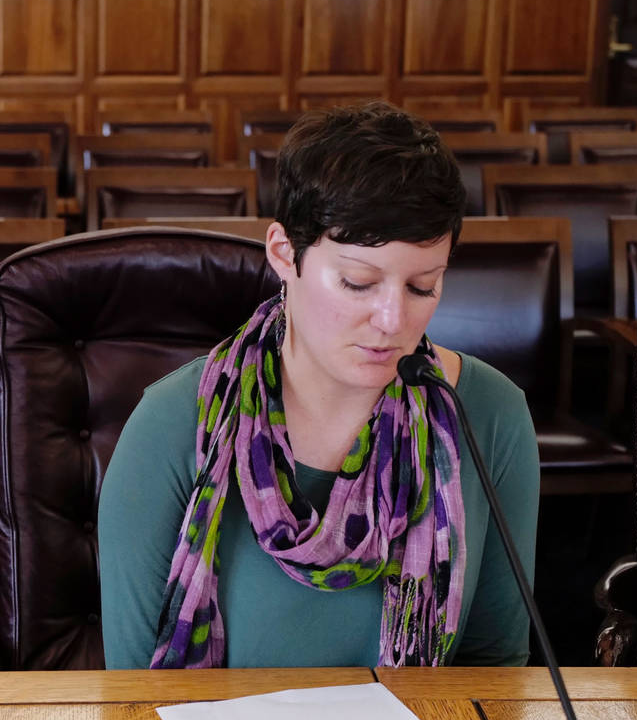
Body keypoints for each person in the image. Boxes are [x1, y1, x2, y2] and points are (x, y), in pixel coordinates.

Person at [98, 104, 539, 669]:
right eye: (358, 283)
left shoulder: (488, 414)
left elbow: (494, 672)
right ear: (284, 254)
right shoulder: (171, 424)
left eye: (422, 287)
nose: (391, 319)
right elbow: (134, 701)